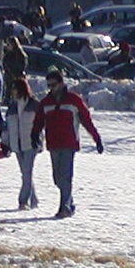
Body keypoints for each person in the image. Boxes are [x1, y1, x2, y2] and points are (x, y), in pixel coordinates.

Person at [32, 67, 103, 219]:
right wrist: (34, 136)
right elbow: (38, 122)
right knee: (57, 178)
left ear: (61, 83)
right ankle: (69, 202)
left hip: (69, 143)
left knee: (66, 176)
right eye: (49, 85)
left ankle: (63, 208)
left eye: (54, 85)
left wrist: (96, 139)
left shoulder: (73, 100)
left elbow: (86, 121)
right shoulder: (46, 102)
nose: (51, 88)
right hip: (53, 144)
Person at [3, 74, 42, 209]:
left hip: (31, 143)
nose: (12, 91)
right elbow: (7, 126)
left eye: (14, 88)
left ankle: (22, 201)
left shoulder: (34, 104)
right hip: (17, 144)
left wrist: (40, 141)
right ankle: (34, 200)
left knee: (27, 172)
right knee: (25, 173)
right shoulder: (12, 107)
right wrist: (5, 142)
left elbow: (41, 124)